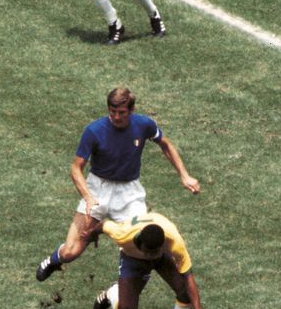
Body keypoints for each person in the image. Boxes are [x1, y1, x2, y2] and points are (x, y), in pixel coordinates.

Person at [35, 87, 199, 282]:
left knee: (141, 245)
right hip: (98, 189)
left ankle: (116, 294)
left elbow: (166, 144)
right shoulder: (94, 131)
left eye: (121, 112)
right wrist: (88, 197)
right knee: (71, 251)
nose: (116, 117)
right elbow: (76, 168)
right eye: (112, 112)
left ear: (131, 110)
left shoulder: (143, 124)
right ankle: (54, 260)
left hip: (130, 193)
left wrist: (184, 175)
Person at [91, 211, 209, 309]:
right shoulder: (123, 234)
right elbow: (102, 225)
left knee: (184, 292)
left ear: (163, 245)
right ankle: (112, 293)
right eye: (147, 252)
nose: (150, 256)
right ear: (140, 243)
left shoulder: (174, 241)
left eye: (155, 252)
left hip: (163, 258)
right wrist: (92, 235)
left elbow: (188, 277)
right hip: (132, 258)